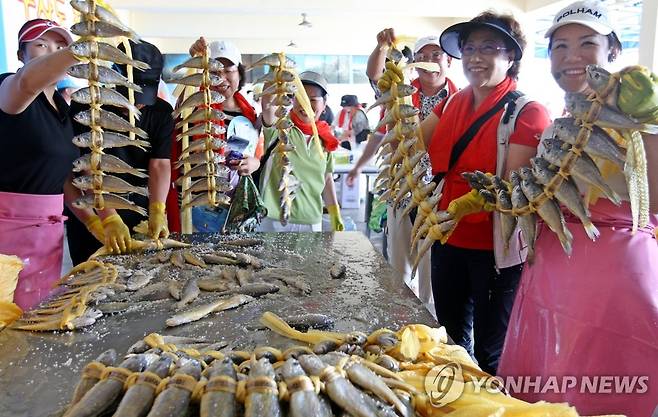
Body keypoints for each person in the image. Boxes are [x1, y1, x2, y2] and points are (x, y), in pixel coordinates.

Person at [498, 2, 658, 415]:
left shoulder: (637, 116)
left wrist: (649, 122)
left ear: (613, 53)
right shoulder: (557, 124)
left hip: (613, 279)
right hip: (548, 271)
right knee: (540, 392)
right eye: (560, 46)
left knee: (603, 394)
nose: (572, 56)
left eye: (587, 43)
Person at [423, 12, 551, 374]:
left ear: (511, 56)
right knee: (450, 341)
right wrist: (395, 98)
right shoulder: (451, 103)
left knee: (492, 352)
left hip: (496, 250)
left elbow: (509, 188)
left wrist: (464, 203)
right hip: (447, 237)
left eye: (489, 48)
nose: (475, 57)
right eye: (469, 49)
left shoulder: (527, 112)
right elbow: (413, 142)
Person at [349, 29, 458, 312]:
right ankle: (399, 316)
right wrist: (381, 47)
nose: (429, 61)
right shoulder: (402, 94)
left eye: (436, 55)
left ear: (450, 62)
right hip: (402, 189)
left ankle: (431, 321)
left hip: (441, 194)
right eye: (422, 57)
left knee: (432, 266)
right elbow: (375, 75)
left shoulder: (461, 100)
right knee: (399, 262)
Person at [66, 39, 174, 264]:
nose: (136, 106)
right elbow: (86, 168)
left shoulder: (161, 113)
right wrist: (107, 220)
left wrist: (157, 208)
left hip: (137, 208)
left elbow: (160, 164)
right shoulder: (86, 108)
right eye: (127, 96)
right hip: (94, 206)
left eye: (142, 98)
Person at [0, 19, 81, 309]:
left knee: (35, 319)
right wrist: (76, 51)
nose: (52, 52)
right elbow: (27, 81)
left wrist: (102, 221)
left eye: (60, 46)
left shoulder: (63, 106)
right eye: (41, 45)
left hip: (48, 238)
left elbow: (60, 176)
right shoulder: (10, 87)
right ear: (21, 53)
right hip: (7, 235)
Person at [172, 38, 262, 234]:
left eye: (228, 71)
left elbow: (258, 153)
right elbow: (180, 113)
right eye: (214, 72)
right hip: (196, 205)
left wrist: (255, 163)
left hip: (236, 206)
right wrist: (195, 63)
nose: (221, 78)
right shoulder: (194, 106)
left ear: (239, 73)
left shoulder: (251, 114)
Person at [258, 71, 344, 232]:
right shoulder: (280, 126)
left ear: (324, 104)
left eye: (313, 100)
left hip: (311, 220)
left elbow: (326, 179)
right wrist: (277, 74)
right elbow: (267, 103)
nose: (305, 105)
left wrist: (334, 213)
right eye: (301, 98)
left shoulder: (325, 140)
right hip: (274, 220)